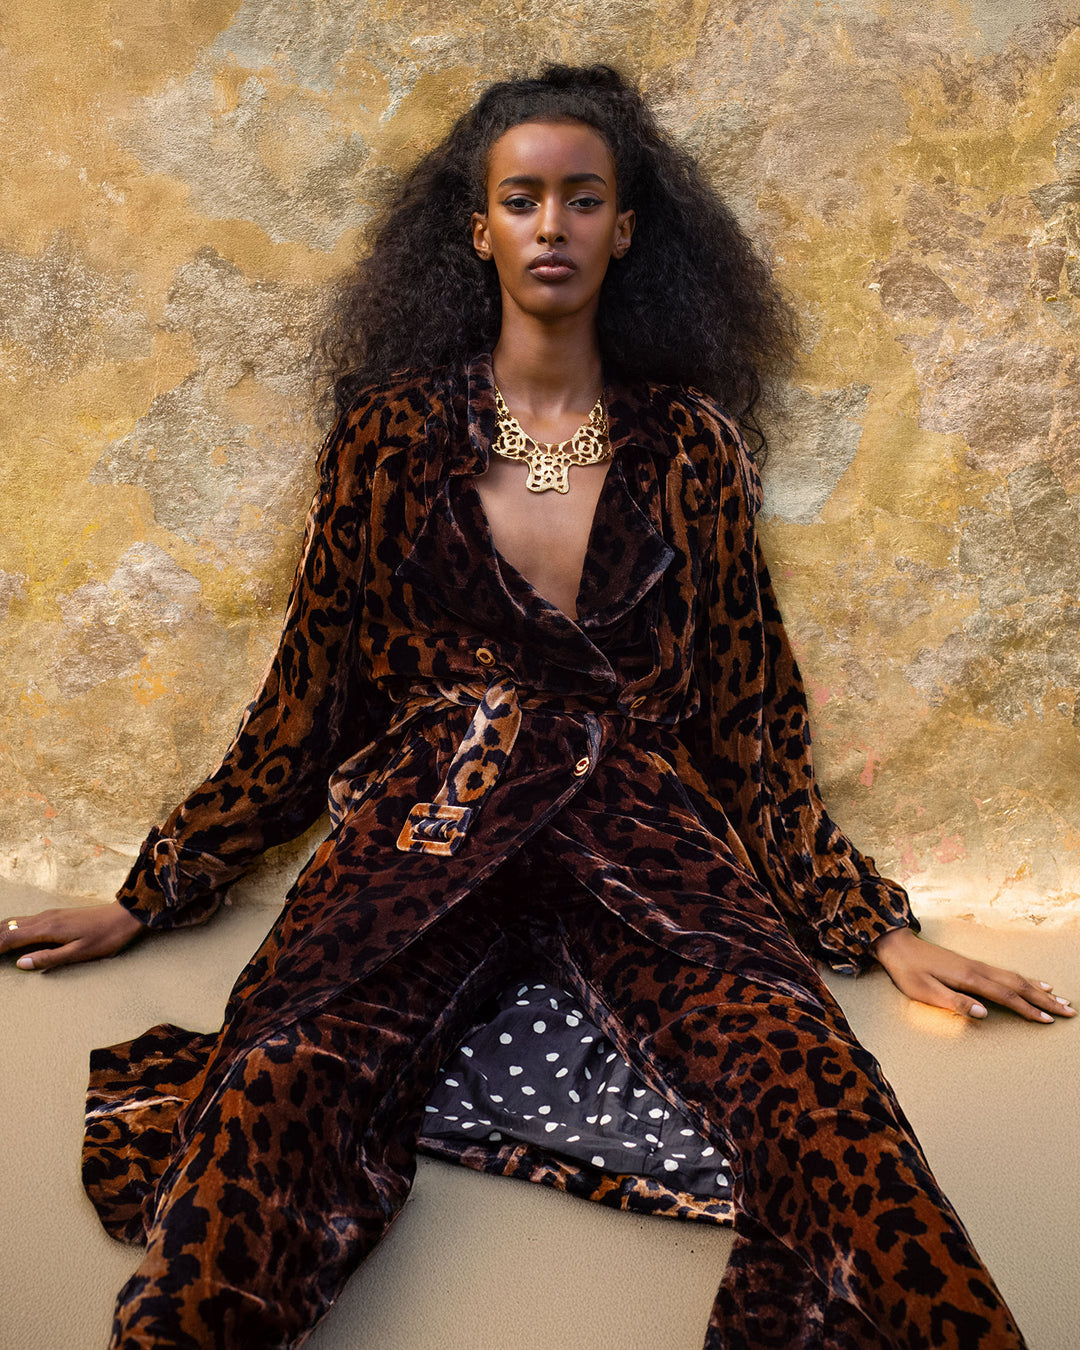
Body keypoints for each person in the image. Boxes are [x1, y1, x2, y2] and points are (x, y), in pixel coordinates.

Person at [1, 62, 1071, 1350]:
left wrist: (876, 928)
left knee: (827, 1101)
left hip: (649, 840)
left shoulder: (693, 451)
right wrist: (152, 888)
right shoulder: (389, 438)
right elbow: (306, 702)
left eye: (582, 199)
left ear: (628, 230)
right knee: (274, 1090)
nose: (552, 224)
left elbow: (754, 727)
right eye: (522, 199)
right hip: (423, 829)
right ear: (479, 229)